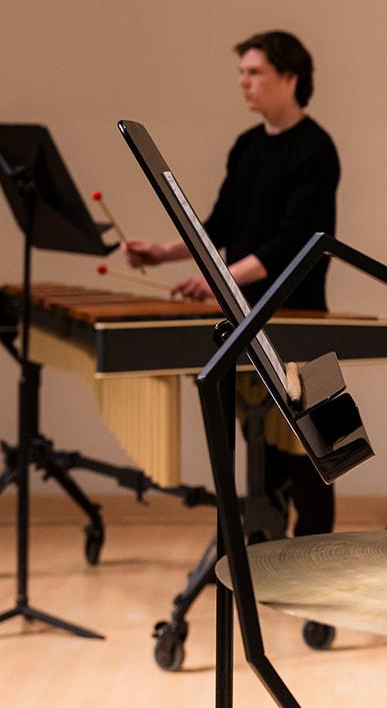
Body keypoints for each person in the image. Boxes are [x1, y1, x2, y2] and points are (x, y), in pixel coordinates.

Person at [125, 30, 341, 536]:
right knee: (260, 455)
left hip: (298, 320)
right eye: (241, 72)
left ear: (290, 78)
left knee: (313, 460)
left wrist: (220, 278)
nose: (243, 82)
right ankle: (261, 558)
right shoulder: (246, 146)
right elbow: (219, 225)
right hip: (246, 324)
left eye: (254, 72)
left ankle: (319, 579)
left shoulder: (316, 149)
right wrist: (161, 254)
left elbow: (291, 244)